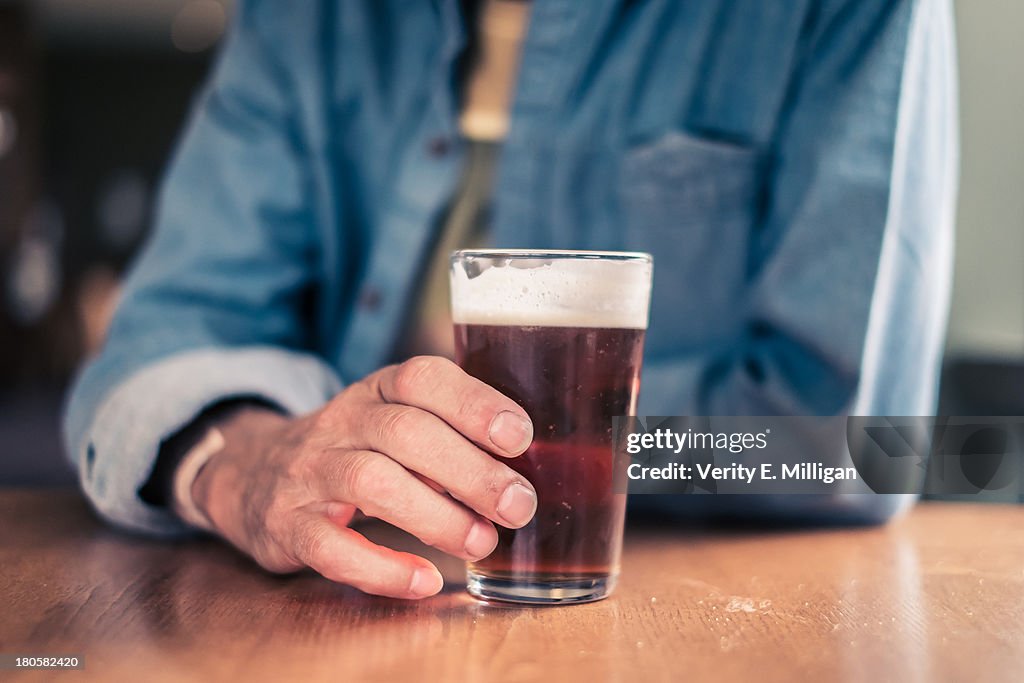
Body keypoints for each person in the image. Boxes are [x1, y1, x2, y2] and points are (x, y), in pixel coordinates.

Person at [64, 0, 958, 599]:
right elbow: (158, 341)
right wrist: (246, 457)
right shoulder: (308, 17)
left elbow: (843, 440)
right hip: (354, 615)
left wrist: (521, 458)